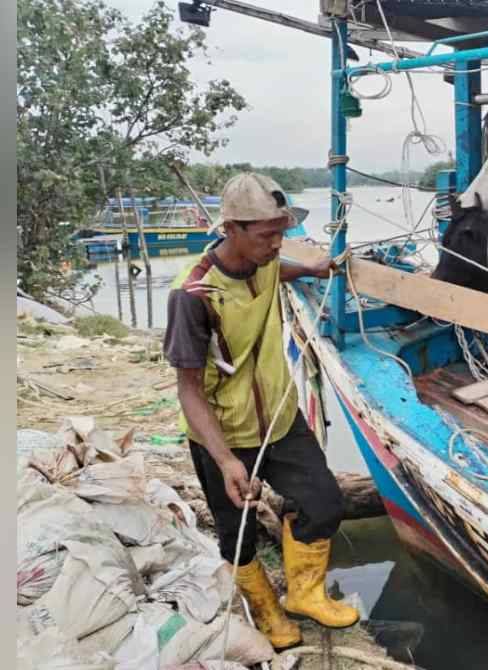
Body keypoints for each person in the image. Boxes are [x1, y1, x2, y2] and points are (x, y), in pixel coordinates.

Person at [163, 172, 357, 650]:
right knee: (238, 533)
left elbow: (280, 268)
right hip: (223, 433)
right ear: (231, 229)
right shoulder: (193, 295)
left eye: (281, 232)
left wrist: (316, 269)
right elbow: (187, 389)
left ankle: (305, 594)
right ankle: (266, 610)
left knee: (325, 503)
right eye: (267, 235)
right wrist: (227, 460)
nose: (277, 244)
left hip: (279, 417)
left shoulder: (266, 261)